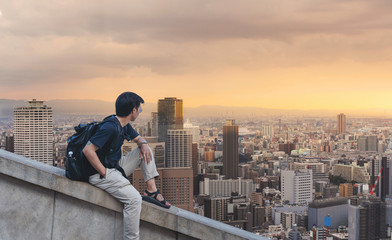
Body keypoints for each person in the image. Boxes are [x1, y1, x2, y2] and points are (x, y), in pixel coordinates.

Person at [83, 92, 170, 240]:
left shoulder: (123, 124)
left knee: (146, 150)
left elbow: (139, 138)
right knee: (134, 200)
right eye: (139, 109)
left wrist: (142, 144)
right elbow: (88, 150)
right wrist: (104, 172)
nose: (139, 112)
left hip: (115, 166)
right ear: (133, 111)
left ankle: (151, 190)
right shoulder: (110, 127)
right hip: (100, 173)